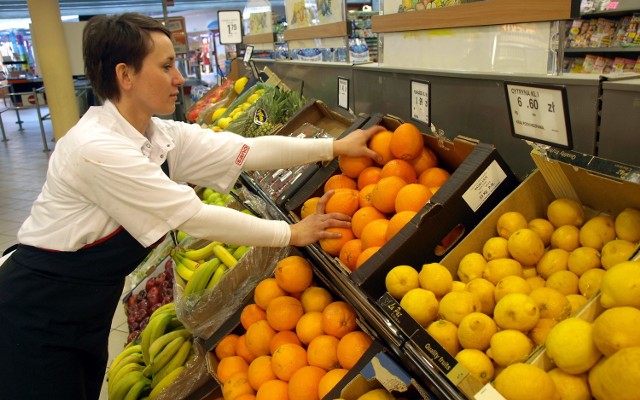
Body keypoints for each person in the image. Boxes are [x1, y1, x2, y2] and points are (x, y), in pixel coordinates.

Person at [0, 13, 383, 400]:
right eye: (166, 66)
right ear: (125, 75)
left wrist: (333, 147)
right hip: (36, 313)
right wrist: (290, 233)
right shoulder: (98, 149)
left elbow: (245, 150)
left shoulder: (156, 135)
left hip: (86, 308)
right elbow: (194, 216)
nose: (180, 77)